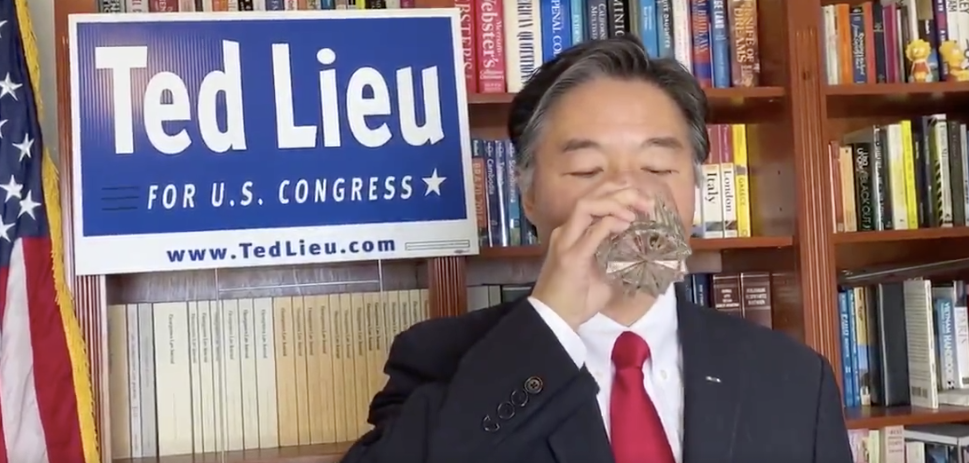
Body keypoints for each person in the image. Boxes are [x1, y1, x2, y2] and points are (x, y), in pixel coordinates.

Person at [338, 36, 852, 463]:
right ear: (530, 197)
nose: (627, 193)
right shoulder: (441, 359)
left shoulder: (792, 377)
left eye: (658, 168)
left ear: (694, 193)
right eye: (587, 171)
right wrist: (553, 321)